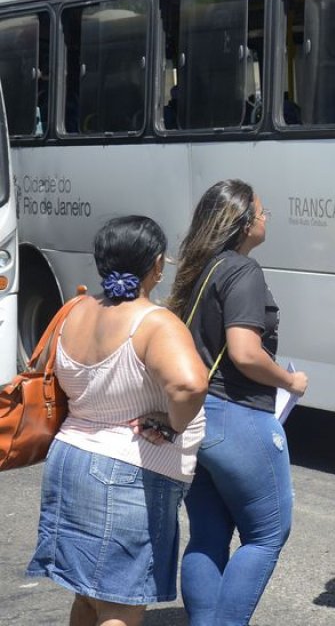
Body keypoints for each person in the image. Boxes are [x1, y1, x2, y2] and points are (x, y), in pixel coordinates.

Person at [27, 216, 209, 626]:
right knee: (120, 606)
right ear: (156, 264)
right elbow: (191, 384)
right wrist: (173, 424)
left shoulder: (74, 310)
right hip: (125, 472)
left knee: (88, 596)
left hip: (70, 460)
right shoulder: (154, 322)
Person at [167, 179, 309, 626]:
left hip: (196, 419)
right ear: (244, 223)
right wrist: (289, 380)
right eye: (263, 213)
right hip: (238, 416)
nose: (267, 220)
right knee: (266, 535)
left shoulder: (197, 270)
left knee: (207, 537)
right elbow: (246, 353)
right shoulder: (243, 271)